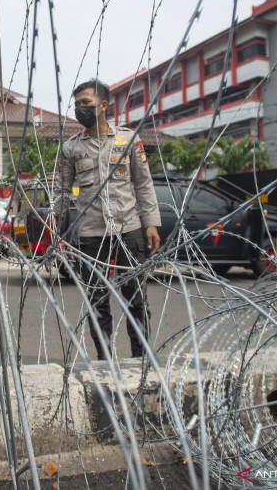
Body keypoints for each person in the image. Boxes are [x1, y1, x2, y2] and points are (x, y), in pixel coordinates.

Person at [53, 79, 161, 360]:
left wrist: (151, 222)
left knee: (135, 298)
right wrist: (53, 223)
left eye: (86, 103)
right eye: (77, 105)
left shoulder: (128, 140)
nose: (80, 109)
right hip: (91, 233)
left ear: (103, 105)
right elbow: (62, 190)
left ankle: (141, 359)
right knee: (97, 301)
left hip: (129, 229)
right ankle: (105, 361)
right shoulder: (71, 148)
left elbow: (144, 184)